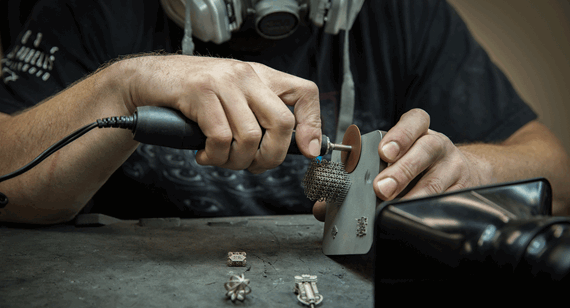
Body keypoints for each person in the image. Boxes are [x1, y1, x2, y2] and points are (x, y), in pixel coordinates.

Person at [0, 0, 568, 225]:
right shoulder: (96, 9)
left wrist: (471, 172)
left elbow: (555, 174)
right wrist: (123, 85)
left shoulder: (401, 13)